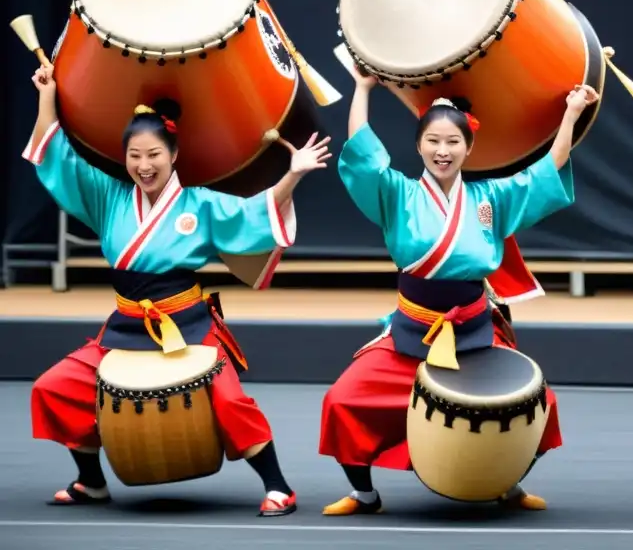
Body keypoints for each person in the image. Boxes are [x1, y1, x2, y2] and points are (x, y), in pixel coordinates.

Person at [24, 63, 331, 517]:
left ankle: (278, 485)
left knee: (229, 399)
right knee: (54, 388)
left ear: (173, 155)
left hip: (187, 323)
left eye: (153, 155)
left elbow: (254, 214)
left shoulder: (199, 204)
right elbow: (58, 158)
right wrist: (46, 95)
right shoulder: (109, 196)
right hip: (126, 325)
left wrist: (294, 174)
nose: (143, 166)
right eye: (134, 155)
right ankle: (91, 481)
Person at [319, 70, 599, 516]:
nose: (442, 151)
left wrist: (570, 113)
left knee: (540, 406)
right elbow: (363, 157)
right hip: (411, 333)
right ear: (418, 146)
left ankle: (506, 483)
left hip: (474, 333)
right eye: (433, 141)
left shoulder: (491, 199)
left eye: (453, 142)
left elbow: (547, 170)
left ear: (469, 148)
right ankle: (364, 494)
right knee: (343, 398)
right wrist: (363, 89)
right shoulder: (397, 194)